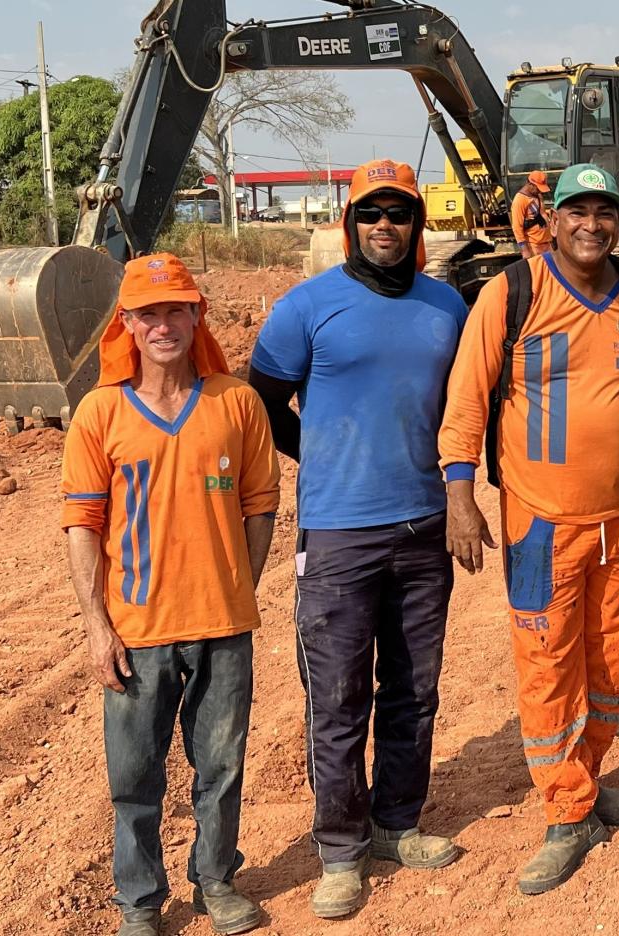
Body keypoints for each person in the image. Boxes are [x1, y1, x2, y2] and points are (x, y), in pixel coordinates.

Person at [247, 159, 466, 920]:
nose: (384, 226)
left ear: (418, 225)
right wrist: (314, 454)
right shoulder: (306, 307)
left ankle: (396, 824)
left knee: (413, 690)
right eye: (370, 213)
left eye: (398, 214)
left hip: (423, 525)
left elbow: (471, 403)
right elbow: (265, 396)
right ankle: (340, 848)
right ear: (350, 221)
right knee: (336, 697)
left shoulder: (448, 307)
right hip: (338, 534)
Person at [439, 163, 619, 895]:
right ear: (551, 221)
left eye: (605, 212)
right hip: (539, 522)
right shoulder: (513, 292)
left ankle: (588, 779)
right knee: (547, 660)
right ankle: (566, 812)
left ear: (618, 222)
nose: (591, 224)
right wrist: (460, 495)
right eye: (577, 212)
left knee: (609, 658)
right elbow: (467, 396)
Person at [61, 253, 280, 936]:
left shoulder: (235, 403)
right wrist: (97, 625)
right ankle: (140, 902)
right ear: (126, 323)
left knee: (221, 766)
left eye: (176, 309)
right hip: (136, 632)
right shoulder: (100, 413)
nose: (164, 324)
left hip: (222, 626)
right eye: (148, 312)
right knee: (135, 779)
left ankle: (216, 881)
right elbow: (82, 525)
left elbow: (261, 505)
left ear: (196, 315)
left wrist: (239, 583)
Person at [511, 169, 553, 258]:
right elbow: (517, 227)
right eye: (538, 188)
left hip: (546, 244)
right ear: (530, 184)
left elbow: (543, 215)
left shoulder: (538, 195)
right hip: (533, 247)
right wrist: (525, 250)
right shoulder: (520, 200)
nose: (540, 191)